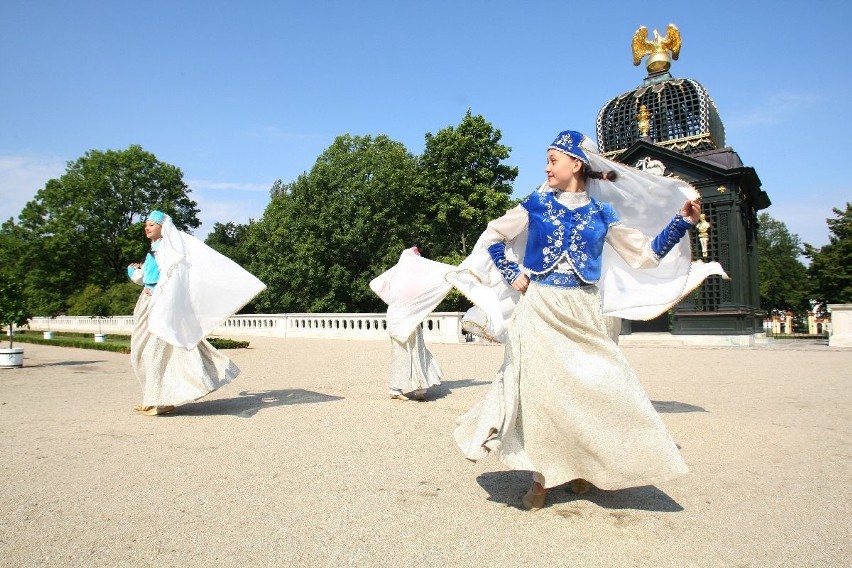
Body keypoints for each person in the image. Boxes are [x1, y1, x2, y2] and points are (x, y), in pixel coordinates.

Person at [373, 130, 728, 511]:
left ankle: (583, 464)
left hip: (585, 310)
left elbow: (645, 256)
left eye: (553, 159)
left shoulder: (602, 214)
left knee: (601, 386)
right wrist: (511, 271)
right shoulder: (536, 205)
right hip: (540, 307)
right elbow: (494, 236)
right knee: (542, 394)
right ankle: (542, 477)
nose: (546, 167)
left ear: (576, 164)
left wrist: (681, 222)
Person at [127, 210, 265, 416]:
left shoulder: (169, 248)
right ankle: (151, 397)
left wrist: (155, 288)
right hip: (147, 304)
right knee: (139, 350)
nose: (147, 227)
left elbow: (172, 277)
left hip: (161, 305)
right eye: (146, 224)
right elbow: (147, 277)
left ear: (162, 227)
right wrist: (134, 273)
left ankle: (161, 400)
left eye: (151, 224)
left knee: (153, 352)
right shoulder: (154, 250)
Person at [371, 246, 443, 401]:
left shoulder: (397, 277)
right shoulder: (410, 280)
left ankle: (407, 389)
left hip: (400, 318)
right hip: (405, 319)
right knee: (412, 352)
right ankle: (413, 389)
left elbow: (376, 284)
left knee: (407, 352)